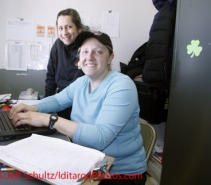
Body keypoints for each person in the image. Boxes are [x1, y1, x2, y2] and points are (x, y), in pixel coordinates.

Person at [9, 31, 147, 185]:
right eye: (85, 51)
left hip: (117, 172)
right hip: (88, 160)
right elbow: (57, 100)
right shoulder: (82, 82)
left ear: (110, 58)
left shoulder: (122, 85)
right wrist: (32, 108)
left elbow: (100, 138)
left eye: (98, 51)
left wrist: (49, 119)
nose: (89, 57)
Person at [44, 8, 88, 120]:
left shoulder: (87, 47)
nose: (64, 33)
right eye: (60, 28)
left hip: (82, 108)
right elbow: (50, 78)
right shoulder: (57, 46)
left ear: (79, 28)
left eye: (69, 27)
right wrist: (46, 106)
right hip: (61, 103)